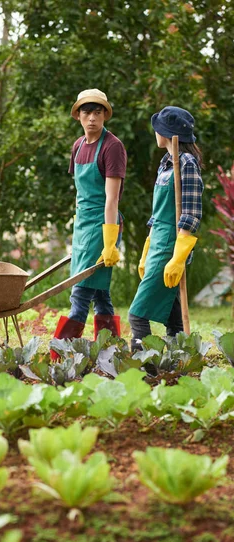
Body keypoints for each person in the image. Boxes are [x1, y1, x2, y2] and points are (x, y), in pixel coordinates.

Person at [51, 89, 127, 359]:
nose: (92, 117)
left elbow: (111, 199)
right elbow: (80, 192)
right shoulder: (78, 146)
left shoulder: (112, 146)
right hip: (83, 224)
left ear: (105, 114)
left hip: (103, 223)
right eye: (86, 112)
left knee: (80, 290)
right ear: (78, 116)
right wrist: (77, 228)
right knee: (101, 292)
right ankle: (110, 352)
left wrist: (109, 242)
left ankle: (59, 354)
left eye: (98, 112)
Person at [128, 106, 203, 350]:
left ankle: (142, 362)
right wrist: (147, 248)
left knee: (138, 313)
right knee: (173, 313)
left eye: (157, 129)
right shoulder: (165, 164)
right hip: (158, 240)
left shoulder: (187, 164)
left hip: (172, 243)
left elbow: (191, 213)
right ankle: (177, 355)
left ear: (169, 133)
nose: (154, 133)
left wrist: (179, 256)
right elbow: (157, 214)